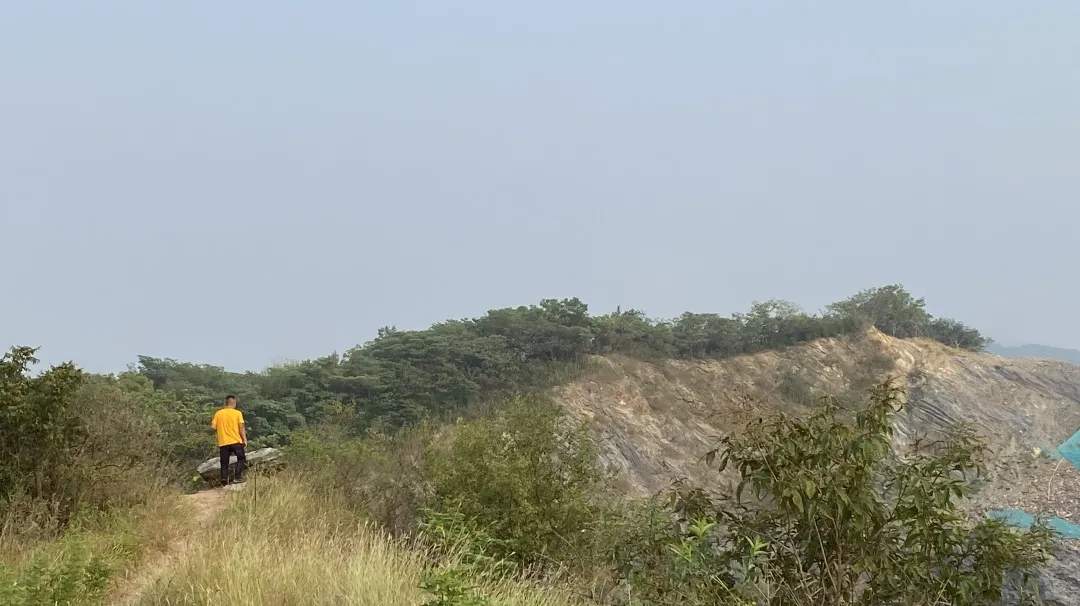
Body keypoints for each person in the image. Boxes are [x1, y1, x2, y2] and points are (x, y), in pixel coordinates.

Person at [211, 394, 247, 485]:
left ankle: (224, 479)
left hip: (223, 442)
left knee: (224, 462)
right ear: (234, 403)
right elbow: (241, 427)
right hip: (236, 440)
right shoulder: (237, 413)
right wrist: (244, 439)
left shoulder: (218, 413)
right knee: (241, 458)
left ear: (226, 403)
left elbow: (213, 427)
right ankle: (238, 476)